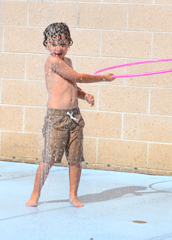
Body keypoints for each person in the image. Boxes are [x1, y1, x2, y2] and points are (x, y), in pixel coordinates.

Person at [26, 22, 114, 207]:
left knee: (75, 160)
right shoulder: (52, 61)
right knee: (48, 159)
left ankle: (73, 195)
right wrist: (103, 78)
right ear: (46, 44)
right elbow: (78, 77)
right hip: (56, 118)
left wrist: (84, 95)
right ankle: (35, 194)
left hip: (74, 116)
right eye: (54, 43)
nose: (58, 48)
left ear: (69, 44)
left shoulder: (68, 62)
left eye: (63, 44)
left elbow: (72, 84)